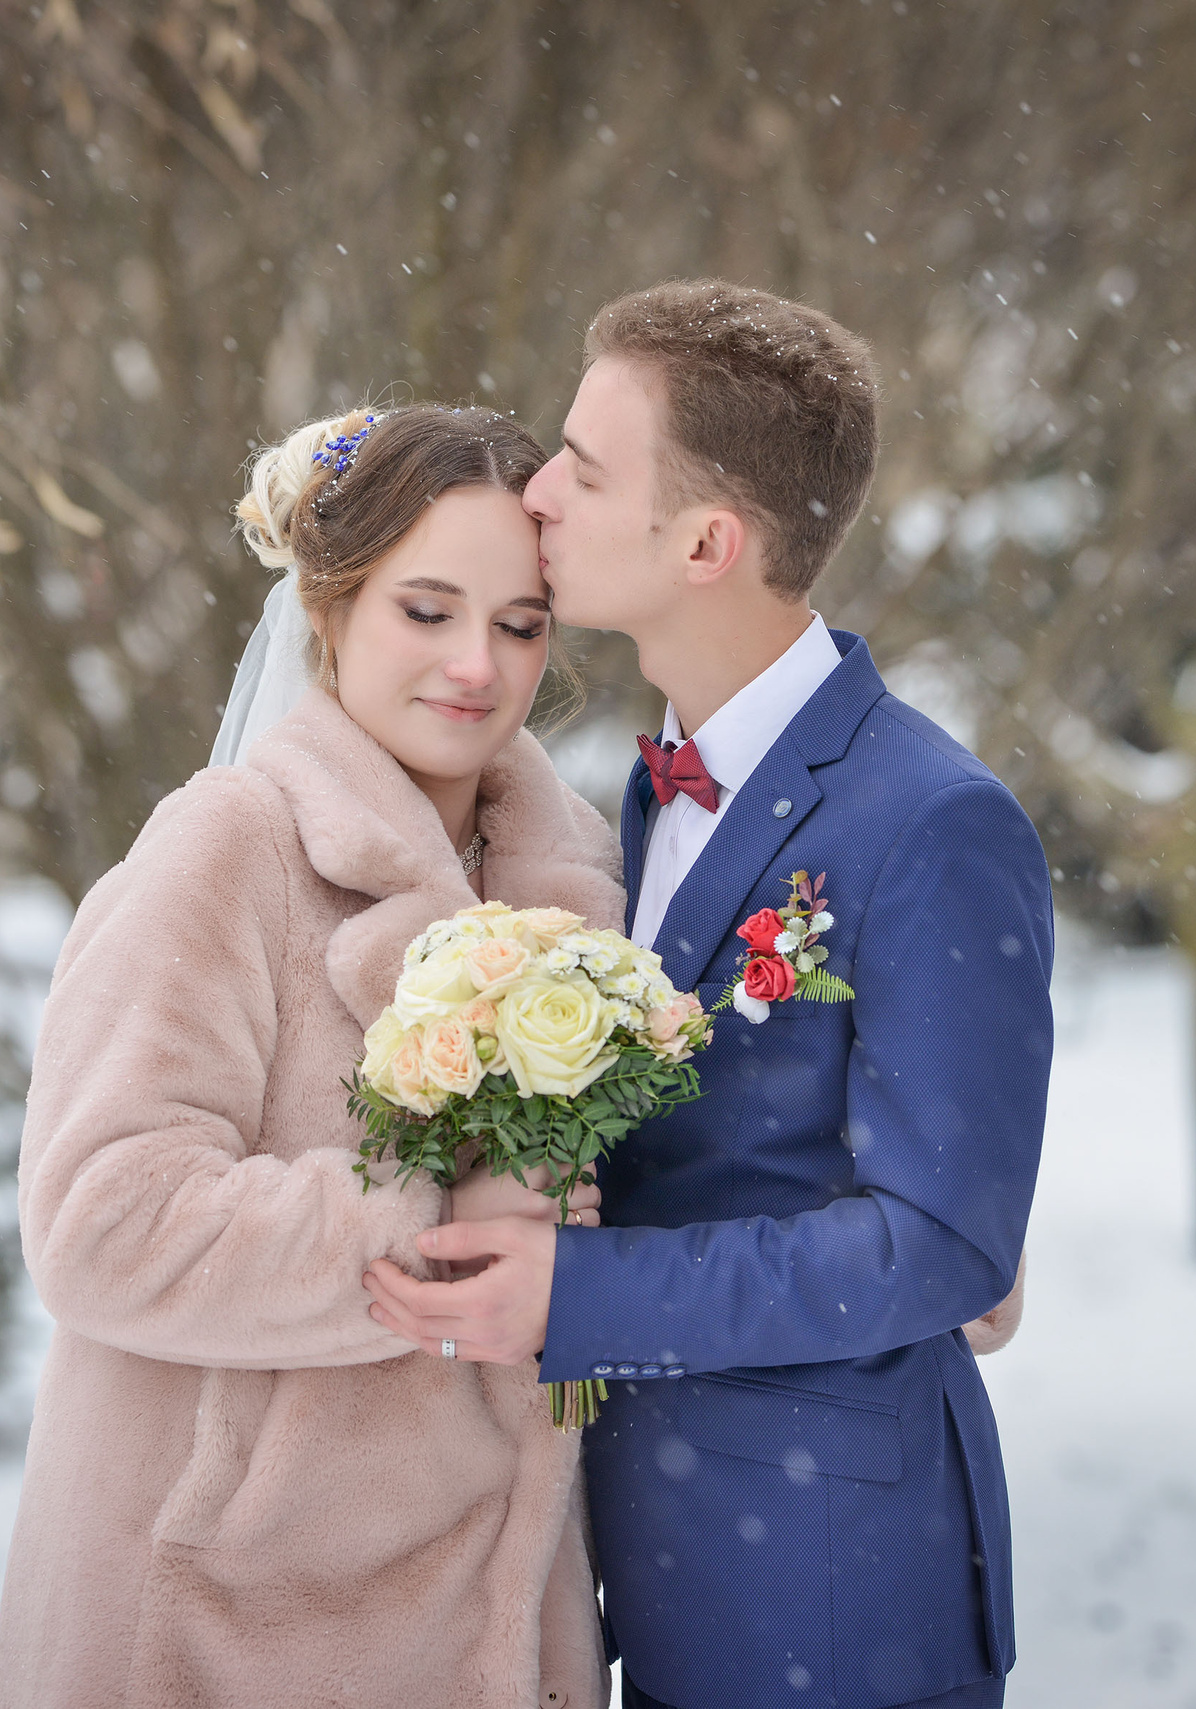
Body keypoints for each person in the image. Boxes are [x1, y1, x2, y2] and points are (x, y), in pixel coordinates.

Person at [364, 282, 1049, 1709]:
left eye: (584, 467)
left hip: (834, 1598)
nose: (539, 493)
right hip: (660, 1574)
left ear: (705, 545)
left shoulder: (934, 821)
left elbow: (942, 1247)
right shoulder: (646, 788)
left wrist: (582, 1295)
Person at [0, 405, 622, 1709]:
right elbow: (101, 1218)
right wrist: (430, 1219)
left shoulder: (580, 885)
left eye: (520, 624)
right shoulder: (227, 849)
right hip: (229, 1615)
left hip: (492, 1611)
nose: (477, 665)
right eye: (427, 610)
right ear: (330, 607)